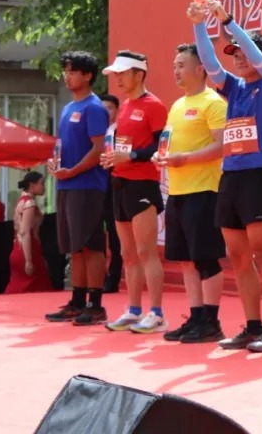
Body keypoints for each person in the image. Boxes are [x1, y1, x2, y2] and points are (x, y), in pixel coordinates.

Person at [191, 0, 262, 352]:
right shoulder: (233, 88)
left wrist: (228, 21)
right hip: (230, 176)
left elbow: (258, 59)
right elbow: (209, 63)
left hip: (258, 175)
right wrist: (199, 24)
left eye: (244, 52)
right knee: (237, 255)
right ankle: (252, 326)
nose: (239, 57)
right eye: (234, 54)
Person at [153, 43, 228, 344]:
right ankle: (196, 318)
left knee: (206, 258)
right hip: (178, 191)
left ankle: (211, 321)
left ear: (201, 68)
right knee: (186, 259)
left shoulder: (214, 102)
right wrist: (162, 156)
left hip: (204, 190)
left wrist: (185, 159)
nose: (176, 71)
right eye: (174, 66)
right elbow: (170, 143)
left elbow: (222, 146)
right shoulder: (176, 105)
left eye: (181, 65)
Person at [101, 51, 169, 334]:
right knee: (127, 253)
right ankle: (133, 309)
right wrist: (112, 159)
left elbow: (160, 147)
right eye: (115, 74)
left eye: (123, 73)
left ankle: (157, 313)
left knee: (145, 251)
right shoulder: (125, 106)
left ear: (139, 74)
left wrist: (130, 157)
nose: (117, 78)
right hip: (119, 183)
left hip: (143, 184)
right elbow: (123, 145)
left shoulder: (154, 106)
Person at [45, 51, 110, 326]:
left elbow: (99, 149)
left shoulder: (94, 108)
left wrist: (72, 171)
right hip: (66, 183)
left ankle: (95, 305)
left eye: (72, 72)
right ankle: (77, 301)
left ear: (88, 75)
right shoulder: (67, 108)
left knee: (90, 244)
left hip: (87, 186)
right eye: (66, 71)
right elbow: (63, 145)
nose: (67, 76)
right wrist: (56, 162)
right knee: (75, 247)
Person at [7, 171, 54, 294]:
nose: (44, 187)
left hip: (17, 249)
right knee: (38, 290)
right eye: (41, 183)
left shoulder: (21, 201)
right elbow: (25, 232)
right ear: (32, 185)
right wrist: (28, 260)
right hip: (28, 250)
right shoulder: (29, 203)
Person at [100, 93, 124, 293]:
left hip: (114, 186)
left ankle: (113, 278)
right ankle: (96, 277)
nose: (106, 112)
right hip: (94, 187)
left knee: (116, 237)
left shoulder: (120, 131)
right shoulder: (93, 131)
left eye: (109, 108)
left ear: (117, 111)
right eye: (102, 108)